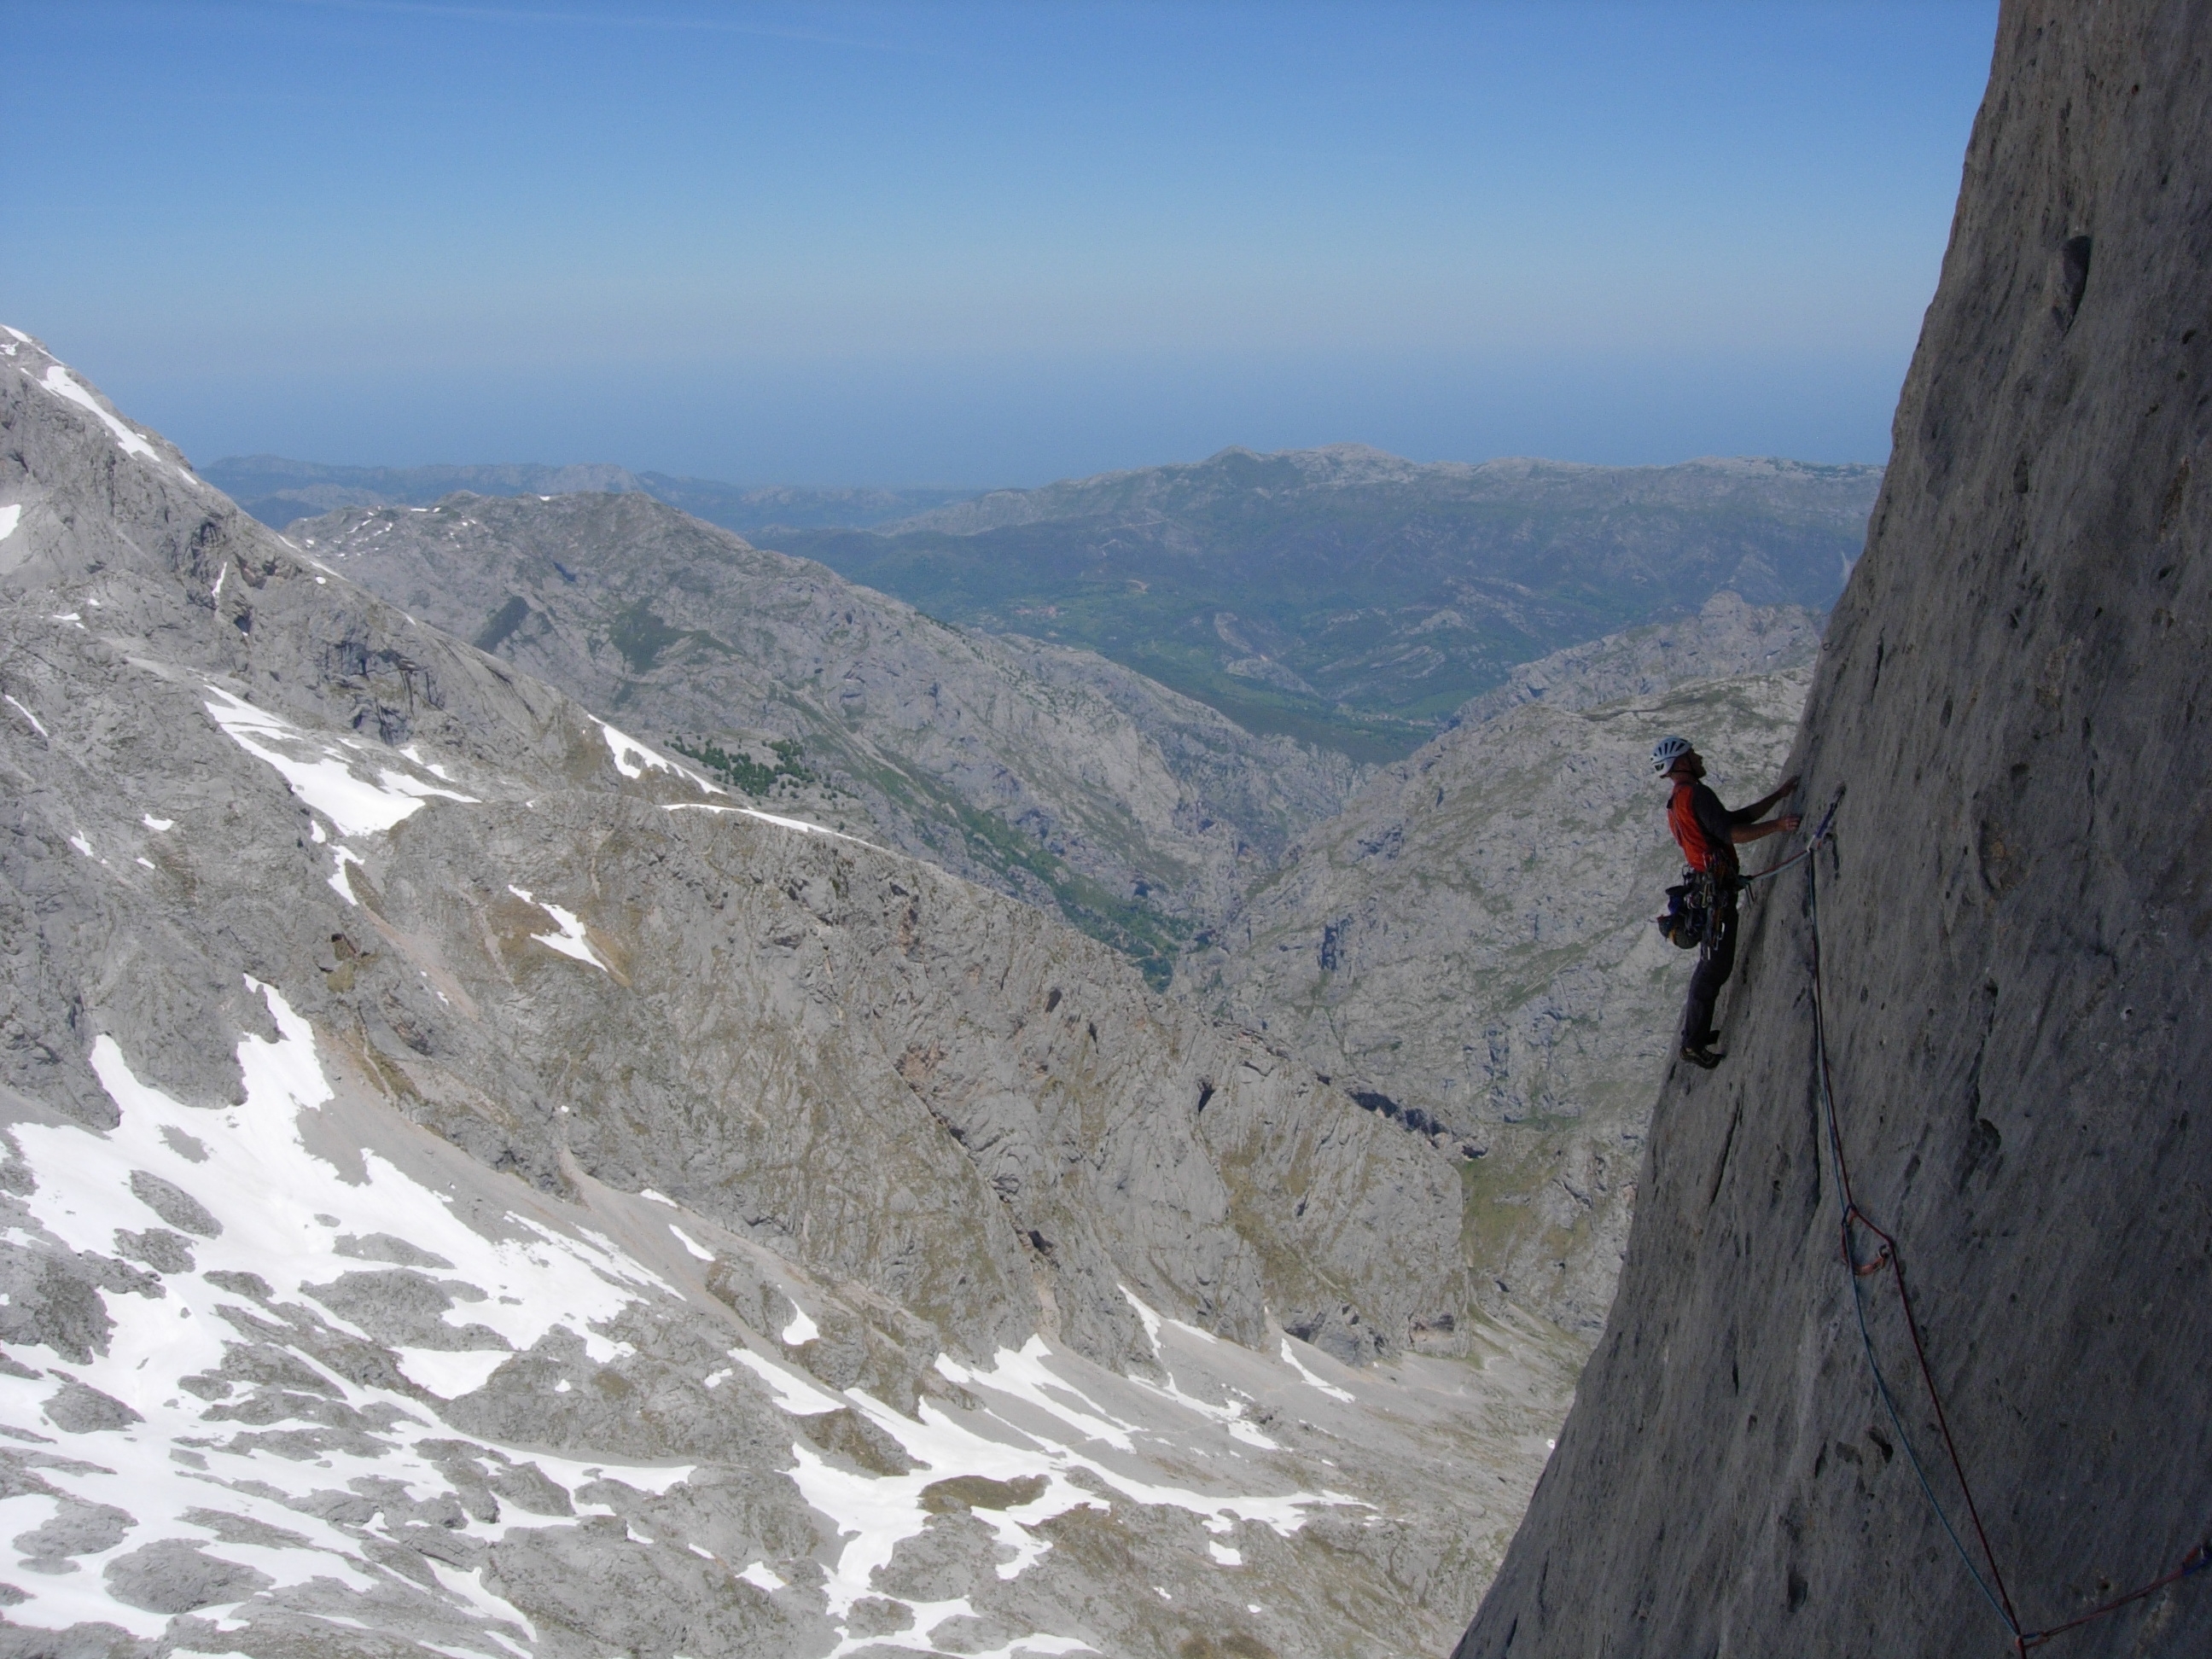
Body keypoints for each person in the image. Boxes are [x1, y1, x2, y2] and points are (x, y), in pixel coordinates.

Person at [1649, 736, 1801, 1069]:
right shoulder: (1696, 795)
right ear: (1682, 763)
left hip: (1707, 886)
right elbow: (1731, 833)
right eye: (1692, 754)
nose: (1699, 756)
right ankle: (1692, 1043)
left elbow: (1730, 820)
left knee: (1713, 965)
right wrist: (1778, 826)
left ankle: (1696, 1036)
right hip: (1714, 889)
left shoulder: (1677, 801)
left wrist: (1777, 797)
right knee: (1714, 967)